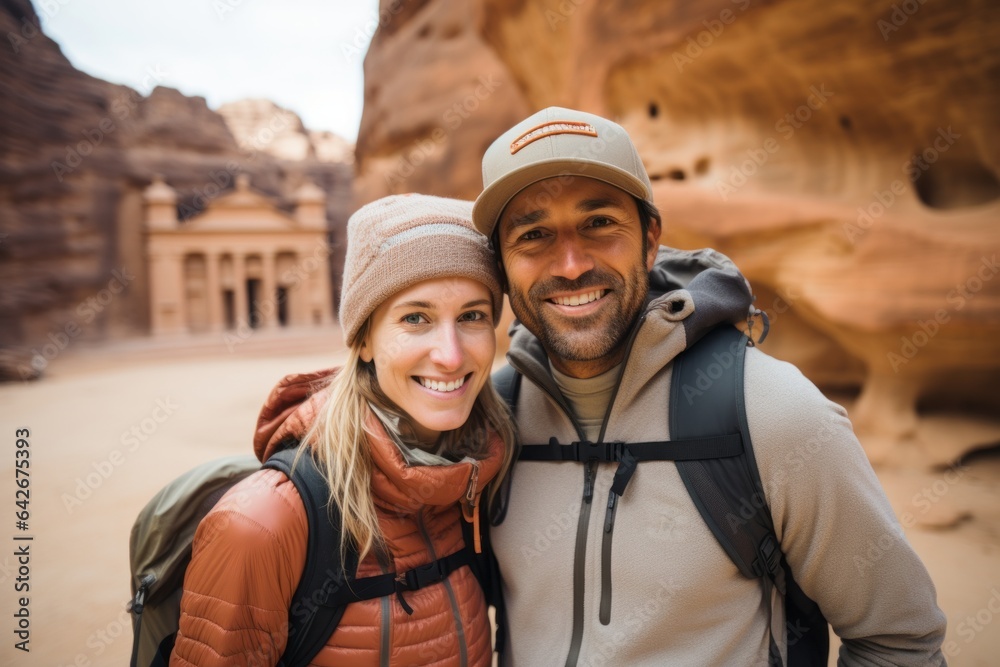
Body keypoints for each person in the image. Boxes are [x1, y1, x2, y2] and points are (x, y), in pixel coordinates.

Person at [471, 107, 947, 666]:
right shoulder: (488, 422)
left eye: (599, 223)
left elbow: (899, 643)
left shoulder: (773, 413)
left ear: (650, 241)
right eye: (533, 235)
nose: (572, 265)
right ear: (501, 269)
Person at [171, 194, 516, 666]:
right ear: (364, 339)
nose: (451, 356)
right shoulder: (260, 525)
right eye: (416, 318)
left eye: (473, 316)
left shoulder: (480, 481)